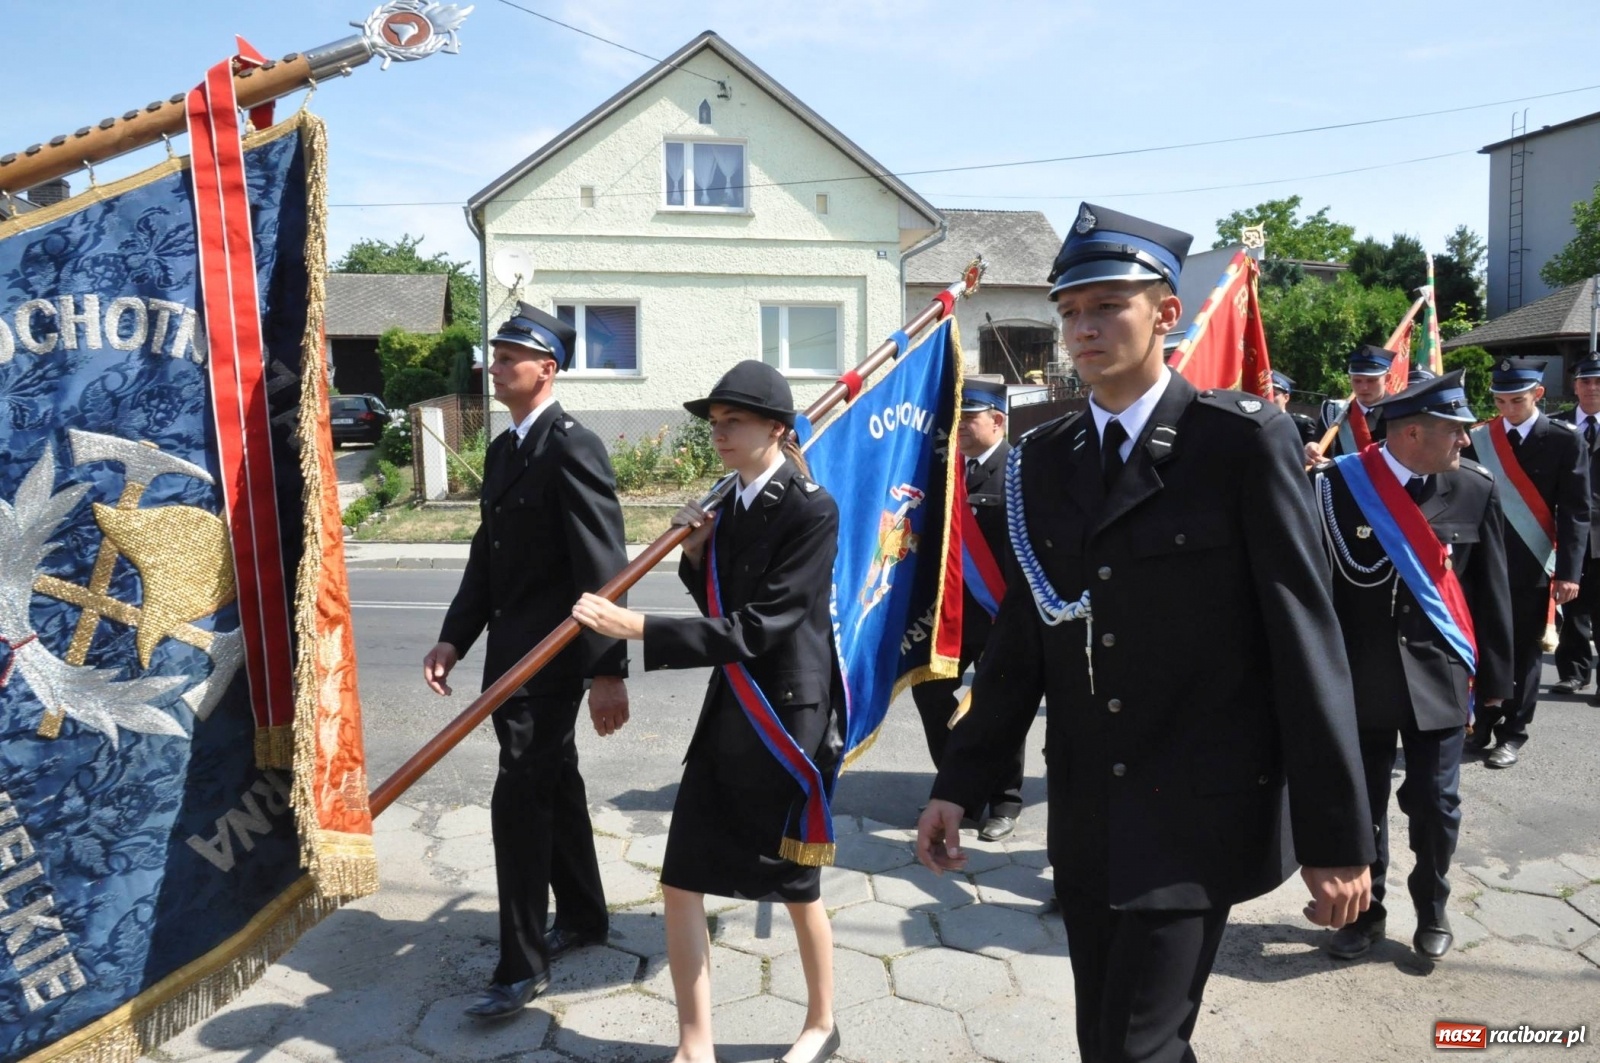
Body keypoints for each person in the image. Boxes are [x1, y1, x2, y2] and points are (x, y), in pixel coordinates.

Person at [916, 202, 1374, 1063]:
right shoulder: (1043, 457)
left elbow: (1305, 644)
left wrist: (1338, 837)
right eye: (1069, 312)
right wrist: (961, 778)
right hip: (1090, 811)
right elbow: (1025, 637)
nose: (1082, 329)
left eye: (1105, 307)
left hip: (1198, 812)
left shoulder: (1240, 442)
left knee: (1136, 1046)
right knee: (1110, 1041)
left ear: (1165, 313)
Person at [571, 360, 842, 1063]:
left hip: (785, 716)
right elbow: (720, 610)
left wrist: (634, 628)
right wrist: (695, 557)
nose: (719, 434)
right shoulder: (728, 503)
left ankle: (821, 1021)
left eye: (734, 422)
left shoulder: (812, 508)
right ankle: (696, 1043)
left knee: (791, 880)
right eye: (715, 423)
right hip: (732, 708)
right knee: (682, 874)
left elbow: (760, 628)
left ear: (777, 429)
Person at [422, 302, 631, 1020]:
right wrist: (456, 635)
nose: (496, 365)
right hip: (511, 655)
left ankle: (521, 966)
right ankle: (582, 914)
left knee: (518, 799)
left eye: (511, 356)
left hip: (553, 660)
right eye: (495, 354)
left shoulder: (573, 447)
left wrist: (606, 672)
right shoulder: (508, 448)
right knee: (554, 779)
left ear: (548, 367)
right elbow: (490, 554)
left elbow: (605, 567)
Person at [1312, 371, 1513, 961]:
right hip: (1359, 678)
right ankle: (1365, 914)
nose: (1466, 442)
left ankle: (1433, 907)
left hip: (1440, 680)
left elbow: (1490, 588)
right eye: (1455, 431)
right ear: (1412, 433)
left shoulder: (1474, 488)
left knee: (1436, 803)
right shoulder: (1336, 488)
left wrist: (1497, 680)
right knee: (1362, 806)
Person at [910, 376, 1025, 841]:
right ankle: (962, 789)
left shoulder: (1020, 470)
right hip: (952, 616)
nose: (958, 427)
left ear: (997, 420)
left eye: (968, 417)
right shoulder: (946, 473)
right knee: (931, 694)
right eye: (955, 418)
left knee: (1002, 705)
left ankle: (1005, 800)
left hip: (1004, 614)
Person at [1462, 357, 1589, 768]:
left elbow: (1575, 511)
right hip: (1483, 558)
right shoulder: (1481, 438)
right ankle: (1481, 721)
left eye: (1515, 400)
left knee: (1525, 651)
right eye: (1498, 400)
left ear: (1538, 394)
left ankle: (1513, 732)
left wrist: (1569, 572)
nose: (1505, 409)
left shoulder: (1564, 439)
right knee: (1481, 644)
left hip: (1533, 561)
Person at [1552, 353, 1600, 697]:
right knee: (1572, 608)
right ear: (1575, 385)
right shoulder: (1557, 427)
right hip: (1570, 531)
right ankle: (1573, 672)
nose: (1593, 387)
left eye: (1598, 382)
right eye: (1586, 381)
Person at [1304, 344, 1395, 464]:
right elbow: (1320, 448)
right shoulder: (1333, 411)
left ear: (1387, 378)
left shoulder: (1402, 412)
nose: (1364, 387)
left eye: (1371, 380)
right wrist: (1310, 449)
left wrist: (1338, 467)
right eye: (1357, 381)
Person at [1269, 369, 1318, 445]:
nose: (1269, 398)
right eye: (1267, 394)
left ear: (1286, 398)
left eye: (1274, 394)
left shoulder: (1301, 424)